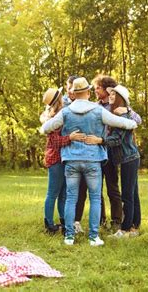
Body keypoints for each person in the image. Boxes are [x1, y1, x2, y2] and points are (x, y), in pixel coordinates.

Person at [40, 77, 137, 246]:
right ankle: (94, 237)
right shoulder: (97, 110)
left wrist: (61, 132)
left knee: (71, 198)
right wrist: (131, 122)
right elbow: (122, 123)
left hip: (71, 160)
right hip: (93, 160)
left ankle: (69, 236)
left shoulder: (66, 112)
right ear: (88, 91)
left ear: (74, 93)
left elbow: (45, 129)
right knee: (95, 198)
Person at [90, 74, 142, 232]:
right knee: (127, 191)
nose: (95, 91)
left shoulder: (122, 110)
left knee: (122, 191)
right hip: (106, 152)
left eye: (97, 88)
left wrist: (100, 140)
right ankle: (127, 224)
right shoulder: (96, 107)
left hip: (119, 153)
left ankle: (124, 225)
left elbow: (136, 121)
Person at [40, 87, 85, 234]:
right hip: (56, 159)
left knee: (64, 193)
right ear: (58, 99)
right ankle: (49, 224)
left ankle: (64, 221)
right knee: (53, 192)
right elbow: (55, 141)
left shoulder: (62, 113)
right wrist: (70, 138)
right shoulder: (53, 117)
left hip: (65, 158)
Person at [63, 75, 88, 234]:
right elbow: (46, 119)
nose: (70, 90)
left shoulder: (90, 106)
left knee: (84, 190)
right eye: (68, 87)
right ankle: (68, 224)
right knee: (70, 192)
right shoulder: (63, 104)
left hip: (86, 153)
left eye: (72, 88)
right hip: (68, 153)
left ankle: (76, 221)